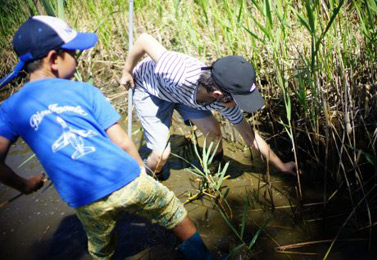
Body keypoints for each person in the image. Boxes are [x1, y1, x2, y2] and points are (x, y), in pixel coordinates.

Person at [0, 16, 223, 260]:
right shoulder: (84, 91)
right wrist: (141, 171)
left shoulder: (11, 108)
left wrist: (24, 184)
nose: (77, 58)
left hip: (85, 200)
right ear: (54, 59)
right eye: (74, 53)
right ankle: (203, 257)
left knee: (100, 246)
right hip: (128, 180)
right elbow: (123, 142)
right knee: (171, 210)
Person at [120, 33, 297, 178]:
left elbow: (250, 136)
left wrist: (281, 166)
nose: (239, 106)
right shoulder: (178, 72)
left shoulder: (225, 102)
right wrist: (127, 71)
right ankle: (147, 178)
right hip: (150, 90)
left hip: (186, 97)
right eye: (239, 100)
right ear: (218, 95)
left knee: (213, 129)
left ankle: (213, 169)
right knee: (160, 156)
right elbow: (144, 40)